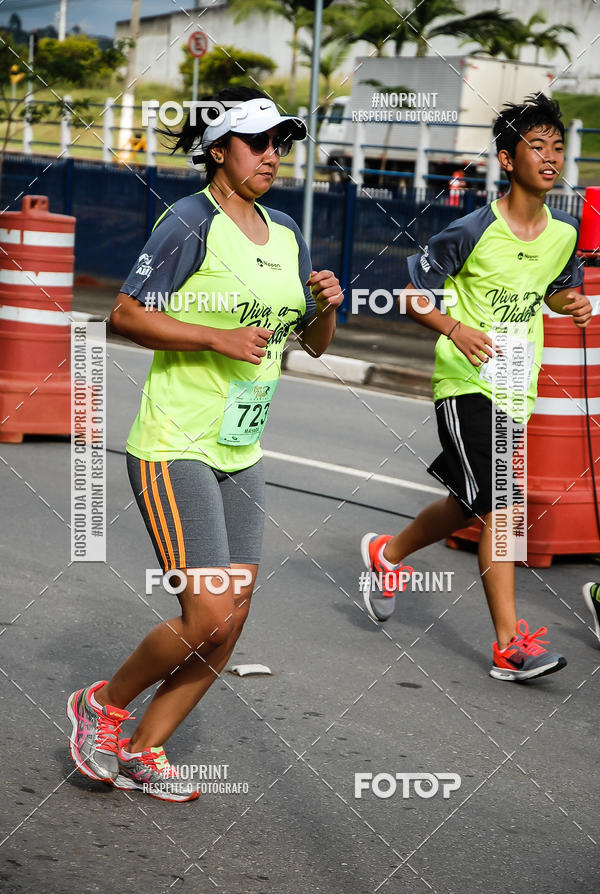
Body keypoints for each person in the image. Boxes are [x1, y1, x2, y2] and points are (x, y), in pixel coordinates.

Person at [67, 87, 344, 801]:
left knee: (233, 619)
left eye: (281, 144)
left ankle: (144, 750)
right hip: (175, 442)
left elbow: (310, 343)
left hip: (241, 449)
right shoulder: (191, 221)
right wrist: (214, 337)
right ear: (219, 151)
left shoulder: (285, 230)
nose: (273, 156)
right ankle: (102, 707)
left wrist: (325, 308)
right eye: (258, 143)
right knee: (209, 614)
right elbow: (125, 314)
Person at [361, 93, 592, 682]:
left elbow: (553, 289)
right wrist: (455, 328)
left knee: (473, 501)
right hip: (466, 381)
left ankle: (387, 553)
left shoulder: (563, 233)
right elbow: (412, 295)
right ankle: (510, 645)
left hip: (517, 385)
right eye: (536, 147)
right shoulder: (472, 228)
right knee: (502, 502)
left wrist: (571, 303)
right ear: (507, 159)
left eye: (557, 147)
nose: (550, 157)